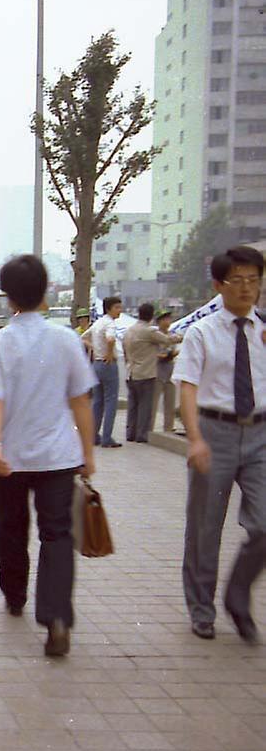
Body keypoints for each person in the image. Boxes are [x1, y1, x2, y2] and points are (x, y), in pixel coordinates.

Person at [0, 255, 97, 657]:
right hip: (58, 457)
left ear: (8, 296)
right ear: (45, 292)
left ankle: (15, 595)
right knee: (57, 534)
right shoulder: (65, 339)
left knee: (11, 529)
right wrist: (88, 453)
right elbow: (81, 401)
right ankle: (57, 617)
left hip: (10, 459)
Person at [174, 245, 265, 644]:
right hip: (214, 433)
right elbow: (188, 389)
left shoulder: (264, 330)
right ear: (219, 285)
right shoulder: (201, 332)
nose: (247, 289)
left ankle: (237, 594)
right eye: (238, 280)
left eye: (254, 280)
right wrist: (195, 438)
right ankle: (202, 609)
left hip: (260, 434)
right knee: (205, 529)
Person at [123, 303, 182, 444]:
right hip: (145, 373)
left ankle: (130, 433)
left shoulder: (129, 330)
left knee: (133, 406)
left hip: (131, 372)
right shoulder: (149, 331)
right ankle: (142, 434)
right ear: (152, 317)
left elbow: (125, 351)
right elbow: (168, 340)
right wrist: (181, 336)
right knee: (145, 406)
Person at [84, 296, 124, 447]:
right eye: (117, 308)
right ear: (109, 309)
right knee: (110, 401)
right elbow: (110, 339)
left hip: (97, 364)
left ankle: (93, 435)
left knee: (97, 401)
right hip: (108, 364)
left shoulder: (97, 323)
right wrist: (108, 353)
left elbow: (83, 337)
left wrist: (94, 348)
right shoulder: (110, 323)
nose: (120, 311)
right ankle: (107, 437)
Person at [151, 310, 180, 434]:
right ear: (159, 321)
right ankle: (149, 428)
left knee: (170, 401)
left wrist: (171, 354)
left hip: (169, 369)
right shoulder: (155, 335)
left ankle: (168, 427)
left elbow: (174, 349)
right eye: (165, 319)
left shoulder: (172, 335)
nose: (168, 322)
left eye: (169, 319)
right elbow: (154, 354)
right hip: (157, 370)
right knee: (153, 402)